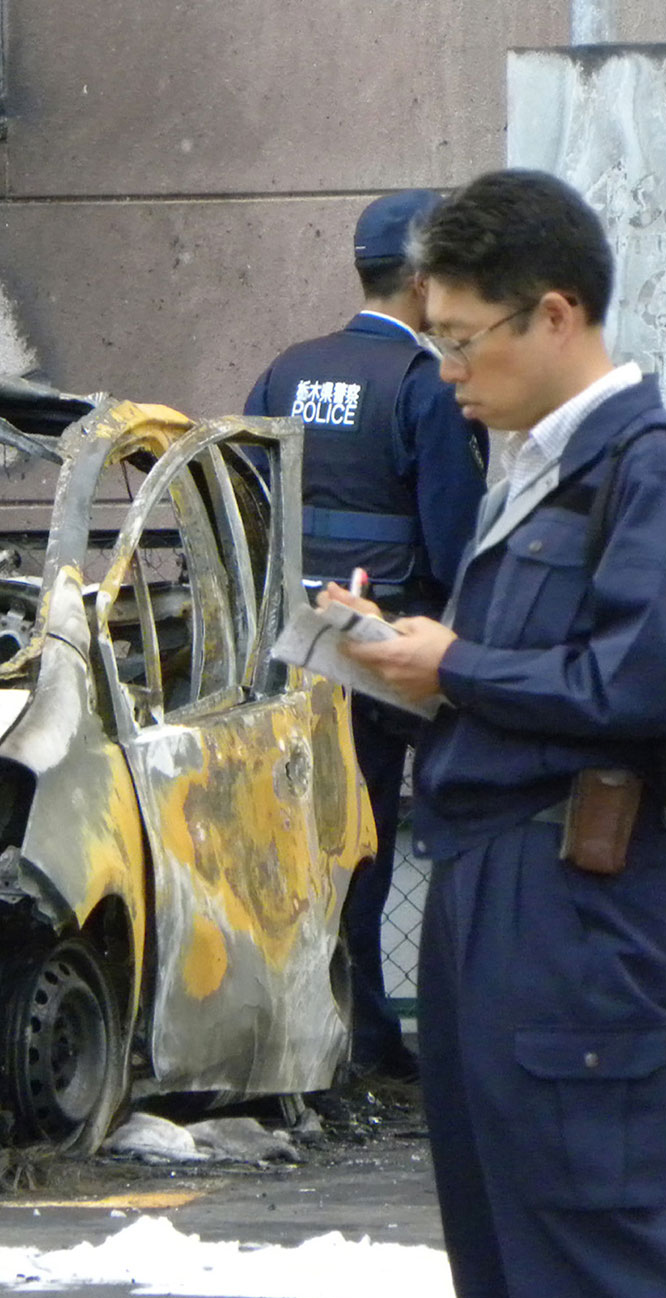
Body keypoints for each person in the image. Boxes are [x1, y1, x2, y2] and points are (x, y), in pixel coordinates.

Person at [332, 168, 666, 1298]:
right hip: (490, 877)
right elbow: (531, 677)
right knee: (500, 1242)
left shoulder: (651, 470)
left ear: (553, 313)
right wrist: (392, 653)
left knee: (585, 1243)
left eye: (462, 342)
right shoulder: (532, 468)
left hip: (570, 888)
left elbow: (643, 684)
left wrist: (450, 665)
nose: (448, 375)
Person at [245, 188, 486, 1080]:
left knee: (295, 841)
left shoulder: (289, 368)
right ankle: (366, 1031)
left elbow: (247, 498)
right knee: (367, 840)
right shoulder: (423, 387)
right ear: (423, 280)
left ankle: (309, 1023)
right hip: (382, 657)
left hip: (286, 646)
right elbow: (459, 539)